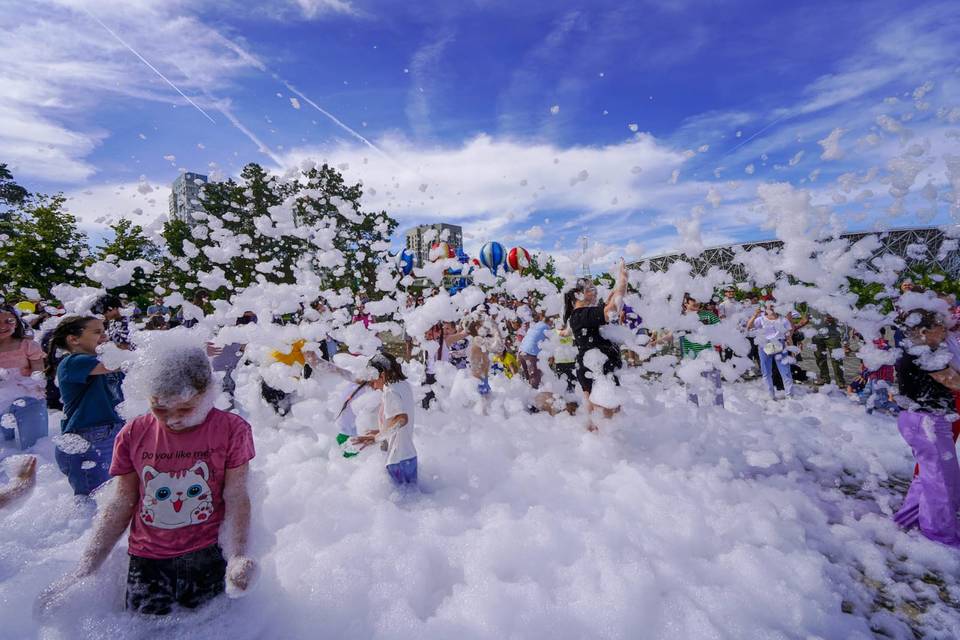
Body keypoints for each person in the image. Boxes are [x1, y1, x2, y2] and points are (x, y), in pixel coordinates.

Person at [37, 345, 256, 616]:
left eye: (186, 408)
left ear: (208, 393)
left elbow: (236, 495)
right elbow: (122, 501)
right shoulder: (134, 432)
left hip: (208, 554)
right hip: (147, 559)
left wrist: (237, 555)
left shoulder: (232, 429)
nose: (173, 419)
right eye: (160, 408)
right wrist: (87, 567)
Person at [891, 309, 960, 547]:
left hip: (918, 419)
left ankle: (907, 519)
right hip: (927, 421)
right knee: (942, 481)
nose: (945, 330)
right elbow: (953, 381)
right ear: (923, 332)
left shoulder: (913, 350)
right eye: (940, 327)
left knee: (928, 476)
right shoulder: (925, 354)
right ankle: (938, 535)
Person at [47, 316, 125, 495]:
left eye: (105, 331)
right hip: (85, 438)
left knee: (108, 496)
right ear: (73, 339)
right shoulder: (73, 362)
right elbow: (116, 365)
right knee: (93, 499)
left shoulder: (101, 362)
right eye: (98, 332)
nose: (105, 336)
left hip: (111, 431)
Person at [563, 259, 628, 428]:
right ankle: (604, 450)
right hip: (597, 370)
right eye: (590, 288)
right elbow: (613, 309)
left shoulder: (580, 314)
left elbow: (609, 304)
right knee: (607, 421)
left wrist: (616, 289)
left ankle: (593, 449)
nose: (595, 290)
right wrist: (623, 279)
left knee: (597, 419)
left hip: (593, 368)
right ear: (579, 294)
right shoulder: (582, 314)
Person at [351, 353, 417, 485]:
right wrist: (380, 430)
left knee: (401, 503)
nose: (374, 386)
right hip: (408, 456)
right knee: (411, 499)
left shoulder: (390, 391)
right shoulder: (403, 385)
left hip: (397, 459)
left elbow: (401, 419)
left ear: (382, 374)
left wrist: (378, 437)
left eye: (373, 379)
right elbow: (398, 421)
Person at [0, 304, 47, 449]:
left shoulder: (27, 345)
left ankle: (36, 467)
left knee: (35, 444)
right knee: (4, 448)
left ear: (17, 322)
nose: (3, 326)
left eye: (9, 321)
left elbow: (39, 372)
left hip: (28, 396)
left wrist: (37, 382)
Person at [679, 295, 724, 408]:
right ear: (686, 304)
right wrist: (657, 341)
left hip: (708, 355)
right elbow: (671, 334)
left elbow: (723, 329)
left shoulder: (708, 315)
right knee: (691, 389)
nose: (697, 307)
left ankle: (719, 411)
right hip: (690, 357)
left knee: (714, 386)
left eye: (698, 305)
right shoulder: (680, 318)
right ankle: (693, 412)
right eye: (694, 305)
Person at [747, 301, 795, 400]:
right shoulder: (761, 319)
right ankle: (770, 395)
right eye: (770, 306)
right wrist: (755, 315)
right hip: (764, 345)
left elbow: (788, 335)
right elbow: (749, 327)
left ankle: (789, 395)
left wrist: (792, 348)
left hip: (780, 345)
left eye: (774, 306)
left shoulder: (783, 320)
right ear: (765, 308)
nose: (772, 308)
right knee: (766, 372)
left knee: (785, 371)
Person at [809, 311, 847, 387]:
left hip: (833, 334)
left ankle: (840, 381)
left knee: (836, 358)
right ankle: (824, 378)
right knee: (819, 358)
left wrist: (835, 318)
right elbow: (807, 316)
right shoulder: (811, 302)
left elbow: (843, 315)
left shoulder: (832, 299)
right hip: (816, 334)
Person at [518, 311, 550, 389]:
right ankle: (535, 397)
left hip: (521, 352)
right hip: (530, 354)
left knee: (527, 378)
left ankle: (526, 395)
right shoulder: (546, 328)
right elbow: (550, 344)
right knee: (535, 378)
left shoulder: (536, 325)